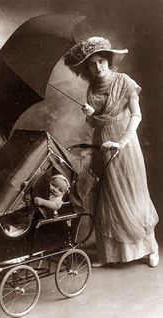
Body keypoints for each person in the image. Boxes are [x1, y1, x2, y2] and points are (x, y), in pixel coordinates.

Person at [63, 36, 159, 268]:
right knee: (107, 197)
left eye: (101, 61)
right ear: (86, 68)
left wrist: (122, 142)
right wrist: (89, 114)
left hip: (125, 144)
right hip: (102, 143)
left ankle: (150, 248)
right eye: (91, 64)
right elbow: (97, 124)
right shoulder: (90, 89)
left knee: (132, 193)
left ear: (108, 60)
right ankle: (111, 254)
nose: (97, 67)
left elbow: (136, 116)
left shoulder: (124, 81)